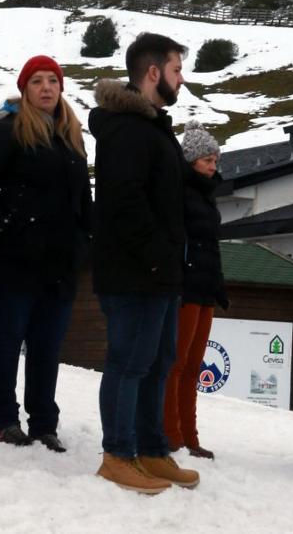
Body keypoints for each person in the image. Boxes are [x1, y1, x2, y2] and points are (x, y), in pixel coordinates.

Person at [89, 32, 200, 495]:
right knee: (129, 363)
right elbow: (124, 201)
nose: (181, 79)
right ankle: (118, 455)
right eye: (176, 69)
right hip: (134, 271)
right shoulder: (126, 129)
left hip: (159, 272)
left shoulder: (153, 127)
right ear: (153, 72)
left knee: (157, 363)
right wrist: (157, 256)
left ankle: (152, 450)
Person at [0, 55, 91, 452]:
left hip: (60, 260)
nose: (46, 88)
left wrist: (86, 240)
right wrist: (3, 225)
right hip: (14, 257)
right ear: (25, 89)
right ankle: (5, 418)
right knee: (8, 339)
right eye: (37, 81)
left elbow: (82, 197)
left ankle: (44, 423)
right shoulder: (8, 131)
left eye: (52, 81)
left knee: (48, 345)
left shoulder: (72, 136)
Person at [164, 121, 229, 460]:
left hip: (205, 292)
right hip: (185, 290)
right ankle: (171, 433)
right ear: (191, 160)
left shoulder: (207, 198)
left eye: (215, 161)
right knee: (176, 363)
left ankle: (190, 436)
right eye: (207, 160)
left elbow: (211, 248)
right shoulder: (180, 193)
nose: (212, 166)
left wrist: (218, 285)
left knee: (193, 368)